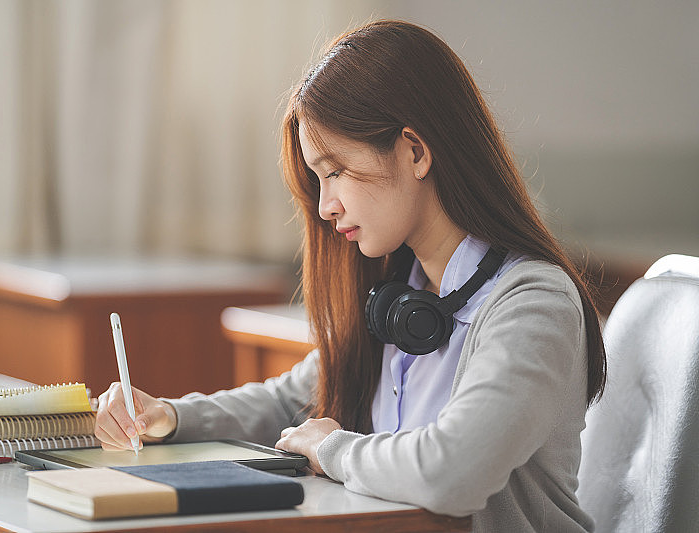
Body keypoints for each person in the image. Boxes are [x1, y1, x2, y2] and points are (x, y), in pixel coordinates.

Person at [95, 19, 606, 532]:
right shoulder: (400, 297)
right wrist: (166, 415)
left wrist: (332, 448)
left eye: (335, 170)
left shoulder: (532, 303)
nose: (324, 207)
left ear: (415, 151)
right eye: (318, 180)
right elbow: (285, 401)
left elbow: (453, 473)